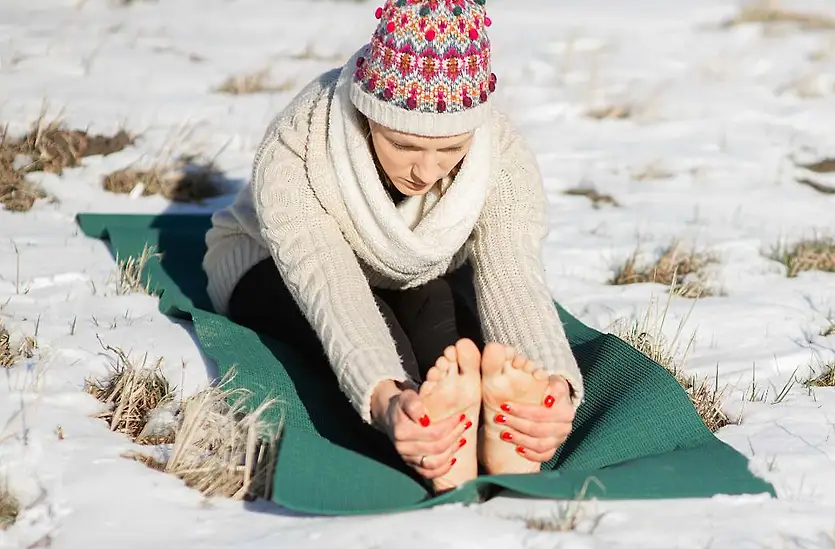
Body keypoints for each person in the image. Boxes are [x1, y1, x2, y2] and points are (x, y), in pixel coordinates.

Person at [202, 0, 582, 493]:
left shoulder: (502, 154)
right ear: (368, 115)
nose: (426, 171)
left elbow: (513, 273)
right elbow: (332, 291)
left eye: (450, 149)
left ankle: (505, 439)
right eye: (405, 146)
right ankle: (429, 448)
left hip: (415, 270)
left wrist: (553, 388)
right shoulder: (298, 145)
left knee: (457, 355)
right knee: (398, 381)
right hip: (273, 265)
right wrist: (387, 400)